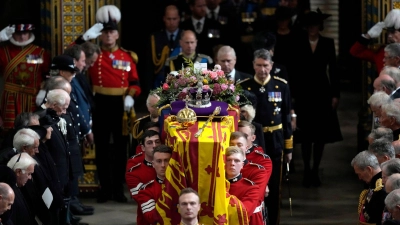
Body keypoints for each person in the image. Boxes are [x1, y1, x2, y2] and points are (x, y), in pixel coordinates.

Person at [87, 5, 142, 203]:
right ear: (100, 35)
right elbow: (73, 55)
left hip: (121, 106)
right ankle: (105, 188)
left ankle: (118, 189)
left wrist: (131, 95)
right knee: (101, 148)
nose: (108, 35)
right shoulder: (92, 55)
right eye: (105, 32)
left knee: (121, 149)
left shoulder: (127, 56)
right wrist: (84, 39)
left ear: (117, 35)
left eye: (111, 32)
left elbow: (135, 82)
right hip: (100, 104)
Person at [240, 48, 292, 225]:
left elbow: (286, 117)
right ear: (253, 65)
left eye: (266, 66)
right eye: (259, 65)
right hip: (253, 139)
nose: (262, 70)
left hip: (275, 139)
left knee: (275, 186)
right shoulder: (245, 86)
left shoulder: (281, 85)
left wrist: (289, 147)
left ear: (272, 65)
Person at [291, 9, 343, 188]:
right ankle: (306, 169)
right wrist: (292, 95)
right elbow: (292, 70)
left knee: (320, 135)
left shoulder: (328, 43)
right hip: (303, 92)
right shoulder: (297, 42)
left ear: (320, 26)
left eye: (315, 25)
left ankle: (315, 169)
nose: (312, 28)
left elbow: (334, 70)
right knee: (305, 135)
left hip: (322, 91)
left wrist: (336, 94)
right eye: (310, 25)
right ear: (306, 27)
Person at [0, 18, 50, 131]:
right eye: (18, 33)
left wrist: (43, 91)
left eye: (25, 33)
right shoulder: (3, 52)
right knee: (10, 133)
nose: (22, 37)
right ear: (12, 33)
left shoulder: (40, 52)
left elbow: (47, 74)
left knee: (32, 132)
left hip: (33, 99)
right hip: (10, 100)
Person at [350, 9, 400, 73]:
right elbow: (355, 52)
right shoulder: (383, 52)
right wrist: (368, 36)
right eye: (388, 32)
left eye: (393, 32)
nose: (389, 36)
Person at [126, 130, 160, 220]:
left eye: (157, 142)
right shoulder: (133, 173)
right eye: (149, 143)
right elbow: (143, 199)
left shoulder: (171, 167)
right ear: (143, 148)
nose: (154, 146)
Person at [225, 146, 263, 224]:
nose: (232, 163)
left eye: (236, 161)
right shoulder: (216, 184)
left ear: (242, 165)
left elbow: (243, 212)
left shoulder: (252, 188)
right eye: (229, 160)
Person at [135, 145, 172, 225]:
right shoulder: (145, 190)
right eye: (159, 161)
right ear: (153, 164)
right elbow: (152, 218)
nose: (163, 165)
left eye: (166, 161)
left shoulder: (182, 187)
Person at [148, 4, 182, 88]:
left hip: (180, 84)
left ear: (179, 19)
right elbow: (149, 67)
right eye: (169, 19)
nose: (171, 22)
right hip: (160, 84)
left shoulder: (185, 37)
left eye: (174, 19)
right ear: (164, 19)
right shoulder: (155, 38)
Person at [351, 150, 387, 225]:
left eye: (359, 174)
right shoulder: (374, 183)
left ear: (368, 169)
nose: (359, 178)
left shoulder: (382, 187)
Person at [6, 152, 38, 225]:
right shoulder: (10, 194)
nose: (30, 178)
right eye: (29, 174)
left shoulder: (18, 186)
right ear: (18, 172)